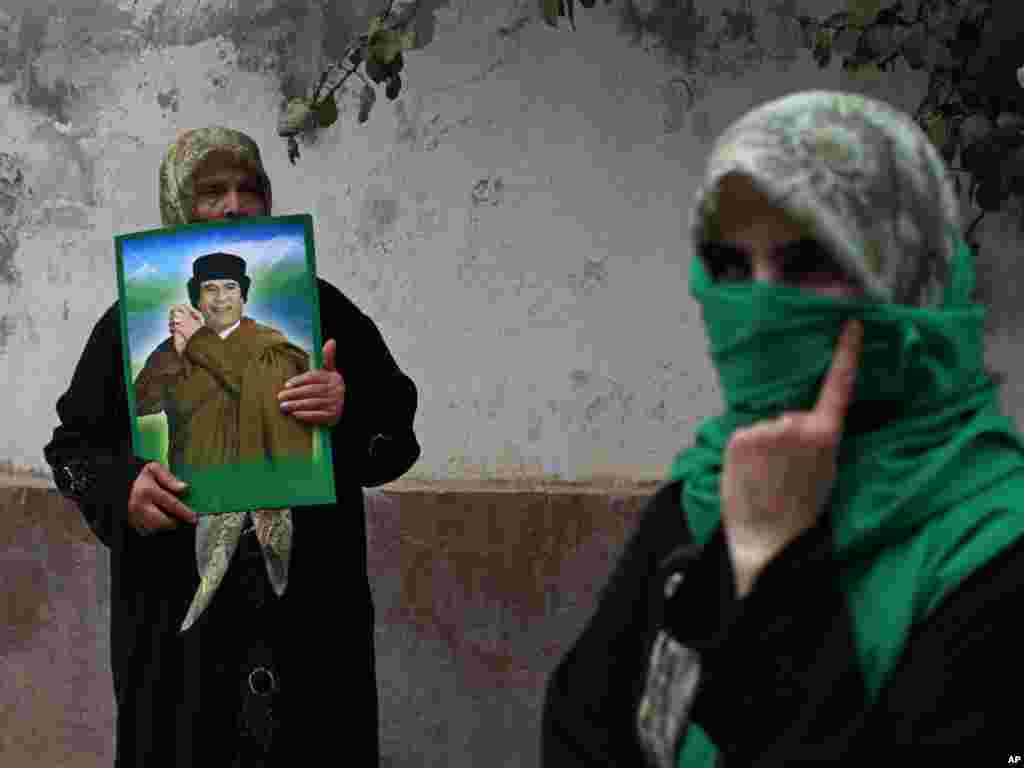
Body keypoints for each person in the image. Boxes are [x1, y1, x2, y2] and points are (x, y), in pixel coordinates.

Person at [541, 90, 1024, 764]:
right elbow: (581, 729)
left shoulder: (992, 550)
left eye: (808, 263)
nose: (761, 303)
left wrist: (771, 565)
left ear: (910, 279)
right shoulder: (706, 492)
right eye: (731, 268)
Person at [44, 126, 420, 767]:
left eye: (250, 188)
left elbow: (395, 442)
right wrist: (123, 485)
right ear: (175, 207)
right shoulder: (134, 337)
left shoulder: (320, 318)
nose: (233, 204)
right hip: (178, 631)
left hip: (310, 626)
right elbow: (73, 451)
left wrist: (346, 410)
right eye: (210, 191)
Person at [134, 251, 314, 476]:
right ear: (196, 299)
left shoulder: (271, 347)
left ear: (243, 296)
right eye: (210, 288)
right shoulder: (174, 349)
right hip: (194, 494)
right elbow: (139, 404)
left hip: (259, 488)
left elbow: (271, 397)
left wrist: (199, 341)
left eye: (230, 287)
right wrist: (176, 350)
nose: (221, 298)